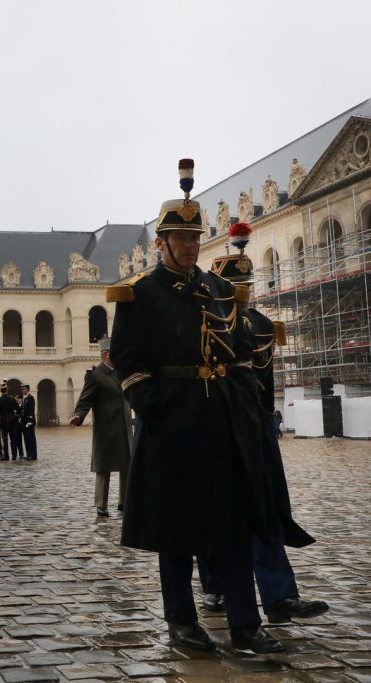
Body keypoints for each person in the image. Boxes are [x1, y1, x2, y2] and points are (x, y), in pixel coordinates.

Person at [109, 158, 283, 653]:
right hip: (172, 424)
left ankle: (246, 623)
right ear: (160, 244)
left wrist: (245, 398)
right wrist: (155, 407)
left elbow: (244, 351)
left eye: (194, 238)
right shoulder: (140, 294)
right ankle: (181, 622)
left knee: (231, 522)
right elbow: (128, 361)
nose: (188, 246)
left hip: (223, 420)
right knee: (175, 531)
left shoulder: (220, 289)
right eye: (179, 239)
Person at [196, 225, 329, 625]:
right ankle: (215, 585)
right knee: (217, 513)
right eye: (235, 284)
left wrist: (269, 427)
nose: (243, 290)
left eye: (247, 284)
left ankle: (280, 596)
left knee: (266, 511)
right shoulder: (207, 324)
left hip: (256, 431)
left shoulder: (262, 326)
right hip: (217, 431)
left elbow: (265, 384)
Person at [70, 336, 131, 517]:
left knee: (126, 467)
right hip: (106, 429)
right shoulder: (95, 375)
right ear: (106, 354)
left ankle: (124, 502)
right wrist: (78, 416)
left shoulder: (121, 373)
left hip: (124, 428)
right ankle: (101, 504)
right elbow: (85, 399)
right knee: (103, 468)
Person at [0, 386, 18, 461]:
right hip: (12, 421)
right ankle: (14, 456)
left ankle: (6, 456)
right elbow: (16, 409)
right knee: (13, 439)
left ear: (1, 391)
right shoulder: (12, 399)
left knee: (5, 440)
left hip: (3, 421)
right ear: (7, 390)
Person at [18, 384, 38, 460]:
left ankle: (33, 455)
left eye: (24, 389)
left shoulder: (30, 398)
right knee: (26, 439)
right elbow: (23, 410)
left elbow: (31, 410)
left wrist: (30, 420)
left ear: (27, 389)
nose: (22, 391)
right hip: (24, 422)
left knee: (31, 439)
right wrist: (20, 417)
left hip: (29, 422)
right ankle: (29, 454)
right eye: (22, 390)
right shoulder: (25, 399)